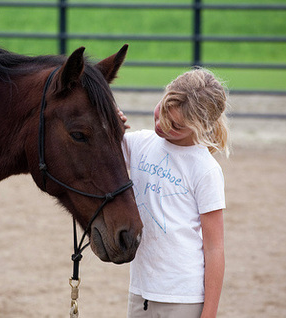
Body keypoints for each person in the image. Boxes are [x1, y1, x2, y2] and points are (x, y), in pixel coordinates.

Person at [119, 67, 229, 318]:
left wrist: (209, 314)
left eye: (175, 126)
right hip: (140, 292)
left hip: (184, 298)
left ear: (200, 127)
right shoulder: (139, 144)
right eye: (161, 113)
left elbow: (214, 248)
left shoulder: (205, 169)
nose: (161, 125)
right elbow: (98, 152)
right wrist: (110, 123)